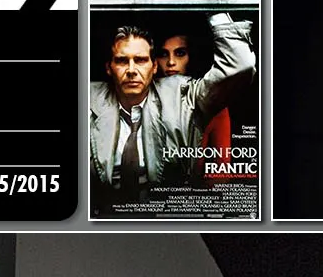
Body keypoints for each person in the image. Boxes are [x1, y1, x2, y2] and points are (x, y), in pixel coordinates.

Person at [87, 12, 254, 208]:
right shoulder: (88, 97)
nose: (131, 70)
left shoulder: (182, 95)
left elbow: (241, 66)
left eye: (140, 60)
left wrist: (213, 0)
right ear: (109, 68)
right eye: (122, 61)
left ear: (154, 66)